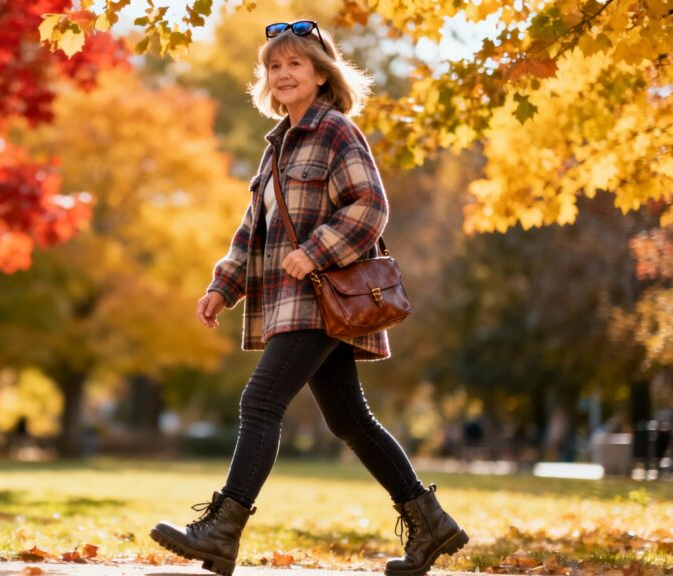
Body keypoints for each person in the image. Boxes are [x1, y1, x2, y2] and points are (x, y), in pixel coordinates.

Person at [149, 20, 468, 576]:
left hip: (320, 298)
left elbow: (370, 207)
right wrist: (221, 286)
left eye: (295, 63)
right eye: (274, 66)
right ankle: (431, 524)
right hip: (289, 301)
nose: (283, 73)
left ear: (322, 75)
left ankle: (222, 531)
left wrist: (317, 250)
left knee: (261, 402)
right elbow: (254, 230)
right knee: (349, 420)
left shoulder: (337, 131)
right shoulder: (274, 149)